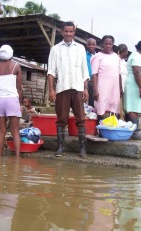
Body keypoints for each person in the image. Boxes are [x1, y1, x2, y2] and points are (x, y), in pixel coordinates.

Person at [47, 21, 89, 158]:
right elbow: (51, 71)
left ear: (74, 33)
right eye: (66, 31)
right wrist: (51, 90)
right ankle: (60, 147)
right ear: (62, 32)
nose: (69, 34)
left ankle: (82, 149)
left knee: (81, 119)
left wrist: (86, 89)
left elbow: (84, 71)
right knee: (61, 118)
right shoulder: (55, 49)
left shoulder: (81, 48)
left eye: (71, 31)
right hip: (62, 88)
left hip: (78, 88)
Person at [0, 45, 23, 157]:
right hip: (12, 100)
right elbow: (19, 87)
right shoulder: (16, 66)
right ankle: (17, 158)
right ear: (11, 53)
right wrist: (20, 103)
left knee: (1, 131)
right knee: (15, 131)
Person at [123, 39, 141, 140]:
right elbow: (136, 72)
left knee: (133, 108)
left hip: (135, 86)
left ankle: (131, 130)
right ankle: (134, 132)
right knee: (133, 108)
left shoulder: (138, 57)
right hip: (135, 86)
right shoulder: (136, 56)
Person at [91, 35, 122, 121]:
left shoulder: (116, 57)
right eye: (106, 44)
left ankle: (111, 129)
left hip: (114, 89)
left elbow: (119, 74)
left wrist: (120, 89)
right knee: (101, 109)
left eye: (110, 44)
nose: (108, 46)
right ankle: (100, 129)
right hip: (102, 88)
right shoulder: (97, 56)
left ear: (112, 45)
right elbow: (94, 74)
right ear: (102, 44)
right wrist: (95, 91)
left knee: (113, 109)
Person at [116, 44, 129, 119]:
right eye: (126, 51)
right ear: (122, 51)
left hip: (124, 84)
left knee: (123, 104)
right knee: (118, 104)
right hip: (118, 85)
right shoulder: (116, 60)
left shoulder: (124, 61)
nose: (127, 53)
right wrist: (120, 87)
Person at [86, 38, 97, 107]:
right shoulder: (83, 55)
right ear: (86, 45)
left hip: (95, 81)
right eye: (89, 44)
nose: (91, 46)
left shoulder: (98, 56)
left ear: (95, 45)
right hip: (85, 80)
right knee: (83, 98)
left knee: (92, 100)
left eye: (93, 44)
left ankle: (91, 115)